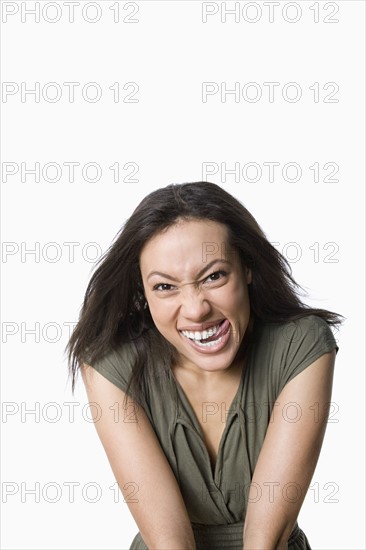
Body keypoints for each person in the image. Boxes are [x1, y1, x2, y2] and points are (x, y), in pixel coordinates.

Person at [66, 181, 343, 550]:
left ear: (247, 268)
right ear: (142, 293)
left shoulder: (301, 344)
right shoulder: (109, 362)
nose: (196, 309)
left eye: (214, 276)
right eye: (165, 287)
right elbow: (169, 543)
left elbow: (267, 541)